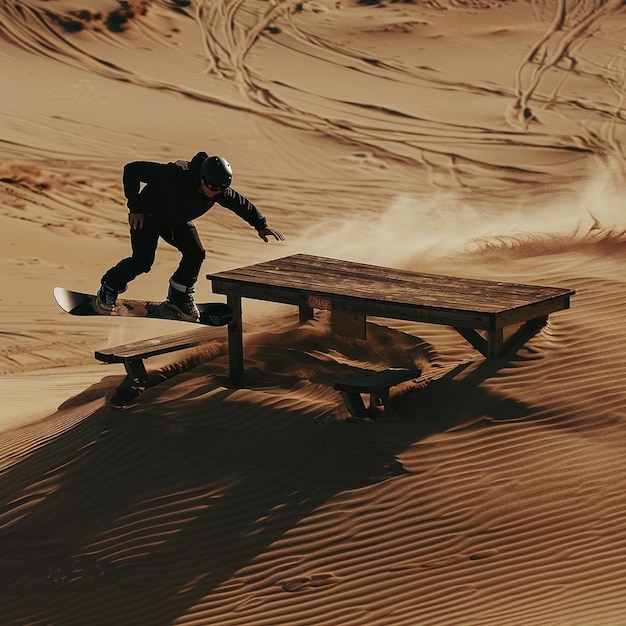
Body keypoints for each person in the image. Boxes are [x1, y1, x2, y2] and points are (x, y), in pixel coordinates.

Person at [97, 152, 285, 321]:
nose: (215, 191)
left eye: (221, 189)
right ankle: (109, 286)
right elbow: (132, 169)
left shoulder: (217, 190)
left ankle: (179, 294)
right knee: (142, 261)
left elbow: (240, 204)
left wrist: (261, 225)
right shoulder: (175, 174)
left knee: (196, 253)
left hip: (175, 221)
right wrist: (135, 207)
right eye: (211, 186)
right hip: (147, 216)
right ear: (201, 178)